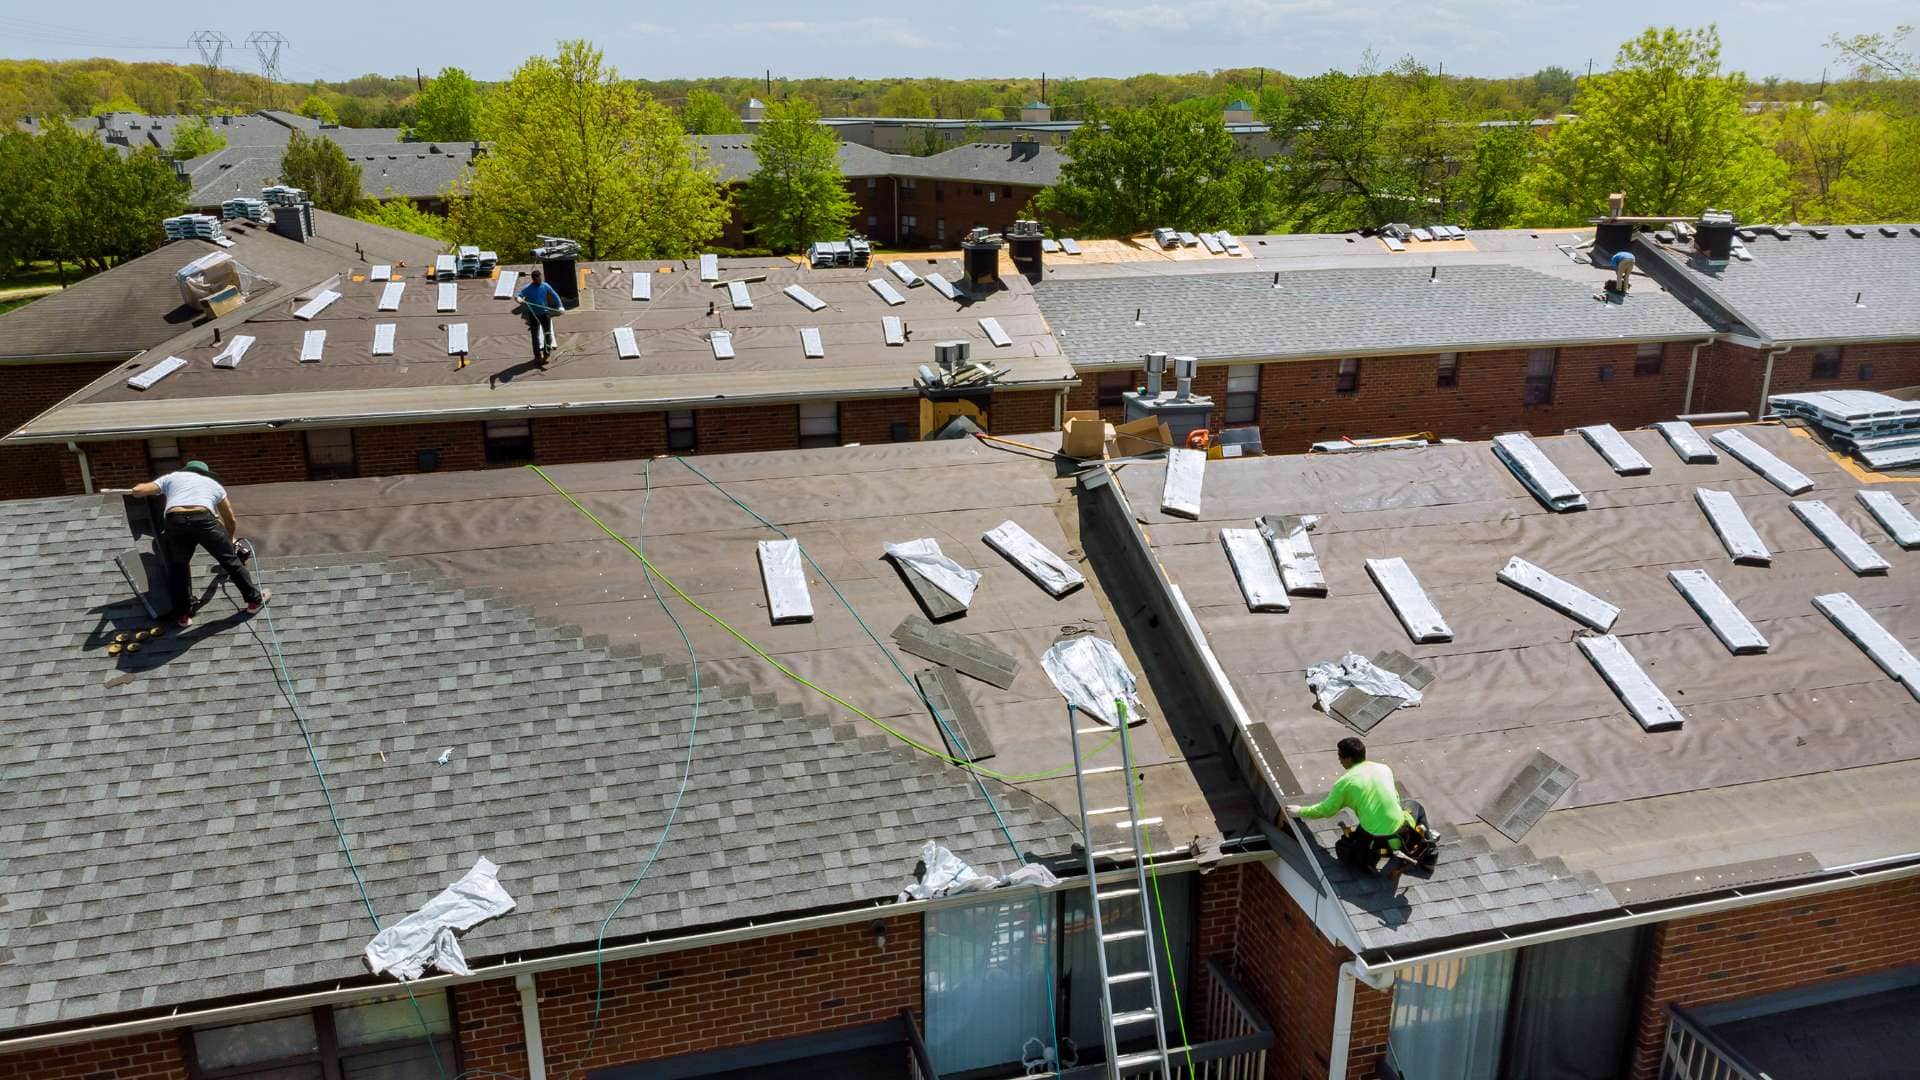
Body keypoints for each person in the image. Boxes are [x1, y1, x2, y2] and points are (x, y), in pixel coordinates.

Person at [129, 461, 269, 627]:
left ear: (186, 470)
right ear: (205, 473)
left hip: (176, 521)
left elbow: (139, 491)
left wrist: (136, 489)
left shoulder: (173, 477)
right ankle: (254, 601)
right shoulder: (213, 484)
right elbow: (229, 518)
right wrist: (229, 540)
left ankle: (182, 615)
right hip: (204, 519)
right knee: (230, 561)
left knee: (178, 567)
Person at [1285, 737, 1433, 875]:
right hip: (1403, 831)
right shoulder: (1384, 768)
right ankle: (1427, 844)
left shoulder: (1345, 783)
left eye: (1340, 756)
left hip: (1375, 841)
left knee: (1361, 833)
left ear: (1348, 758)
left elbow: (1326, 810)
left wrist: (1300, 811)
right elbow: (1395, 797)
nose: (1339, 760)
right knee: (1414, 805)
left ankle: (1375, 857)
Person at [517, 269, 564, 363]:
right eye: (537, 280)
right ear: (533, 279)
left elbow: (555, 295)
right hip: (533, 315)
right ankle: (537, 355)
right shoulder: (528, 288)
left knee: (547, 334)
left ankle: (547, 354)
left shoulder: (545, 285)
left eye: (540, 278)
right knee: (535, 336)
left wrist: (560, 306)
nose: (539, 281)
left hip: (544, 313)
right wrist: (518, 299)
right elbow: (518, 294)